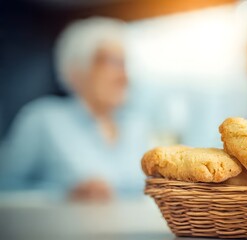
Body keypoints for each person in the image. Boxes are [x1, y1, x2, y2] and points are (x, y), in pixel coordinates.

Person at [0, 17, 149, 200]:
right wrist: (65, 195)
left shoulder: (137, 126)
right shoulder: (42, 119)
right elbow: (6, 187)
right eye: (109, 62)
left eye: (123, 63)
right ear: (75, 71)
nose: (123, 75)